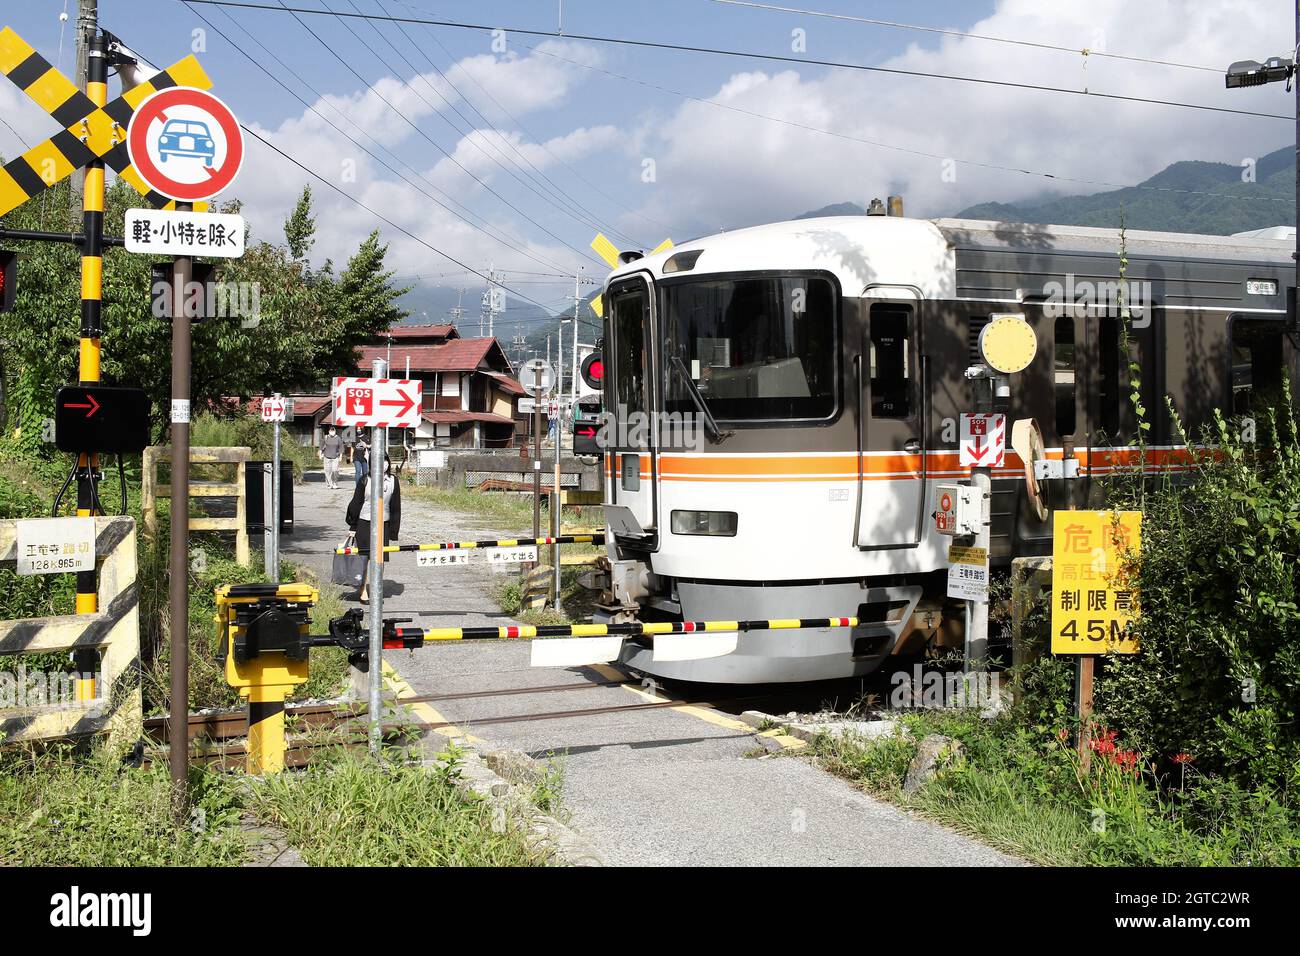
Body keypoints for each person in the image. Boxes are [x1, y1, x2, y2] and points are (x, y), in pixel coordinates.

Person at [345, 454, 401, 603]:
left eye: (385, 460)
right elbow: (356, 504)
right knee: (365, 559)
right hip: (365, 522)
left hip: (384, 523)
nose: (382, 464)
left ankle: (375, 590)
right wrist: (353, 526)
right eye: (378, 461)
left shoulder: (393, 481)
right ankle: (363, 590)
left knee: (379, 560)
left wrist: (394, 531)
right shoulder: (365, 479)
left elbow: (396, 506)